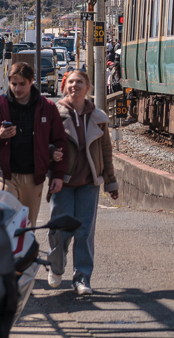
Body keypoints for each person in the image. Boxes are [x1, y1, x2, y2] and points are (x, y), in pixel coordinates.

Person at [46, 70, 119, 296]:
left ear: (88, 87)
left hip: (89, 182)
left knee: (85, 231)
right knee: (61, 230)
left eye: (79, 82)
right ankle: (57, 267)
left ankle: (82, 278)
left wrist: (111, 182)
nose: (74, 85)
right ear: (64, 86)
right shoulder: (55, 114)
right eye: (70, 82)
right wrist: (51, 154)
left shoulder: (98, 116)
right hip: (63, 182)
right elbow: (42, 144)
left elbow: (106, 150)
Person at [0, 62, 68, 237]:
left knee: (27, 227)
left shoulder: (47, 107)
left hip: (34, 178)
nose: (17, 89)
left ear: (31, 81)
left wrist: (58, 175)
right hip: (5, 175)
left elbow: (60, 141)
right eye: (13, 84)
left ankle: (25, 263)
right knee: (6, 224)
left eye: (22, 84)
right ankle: (7, 263)